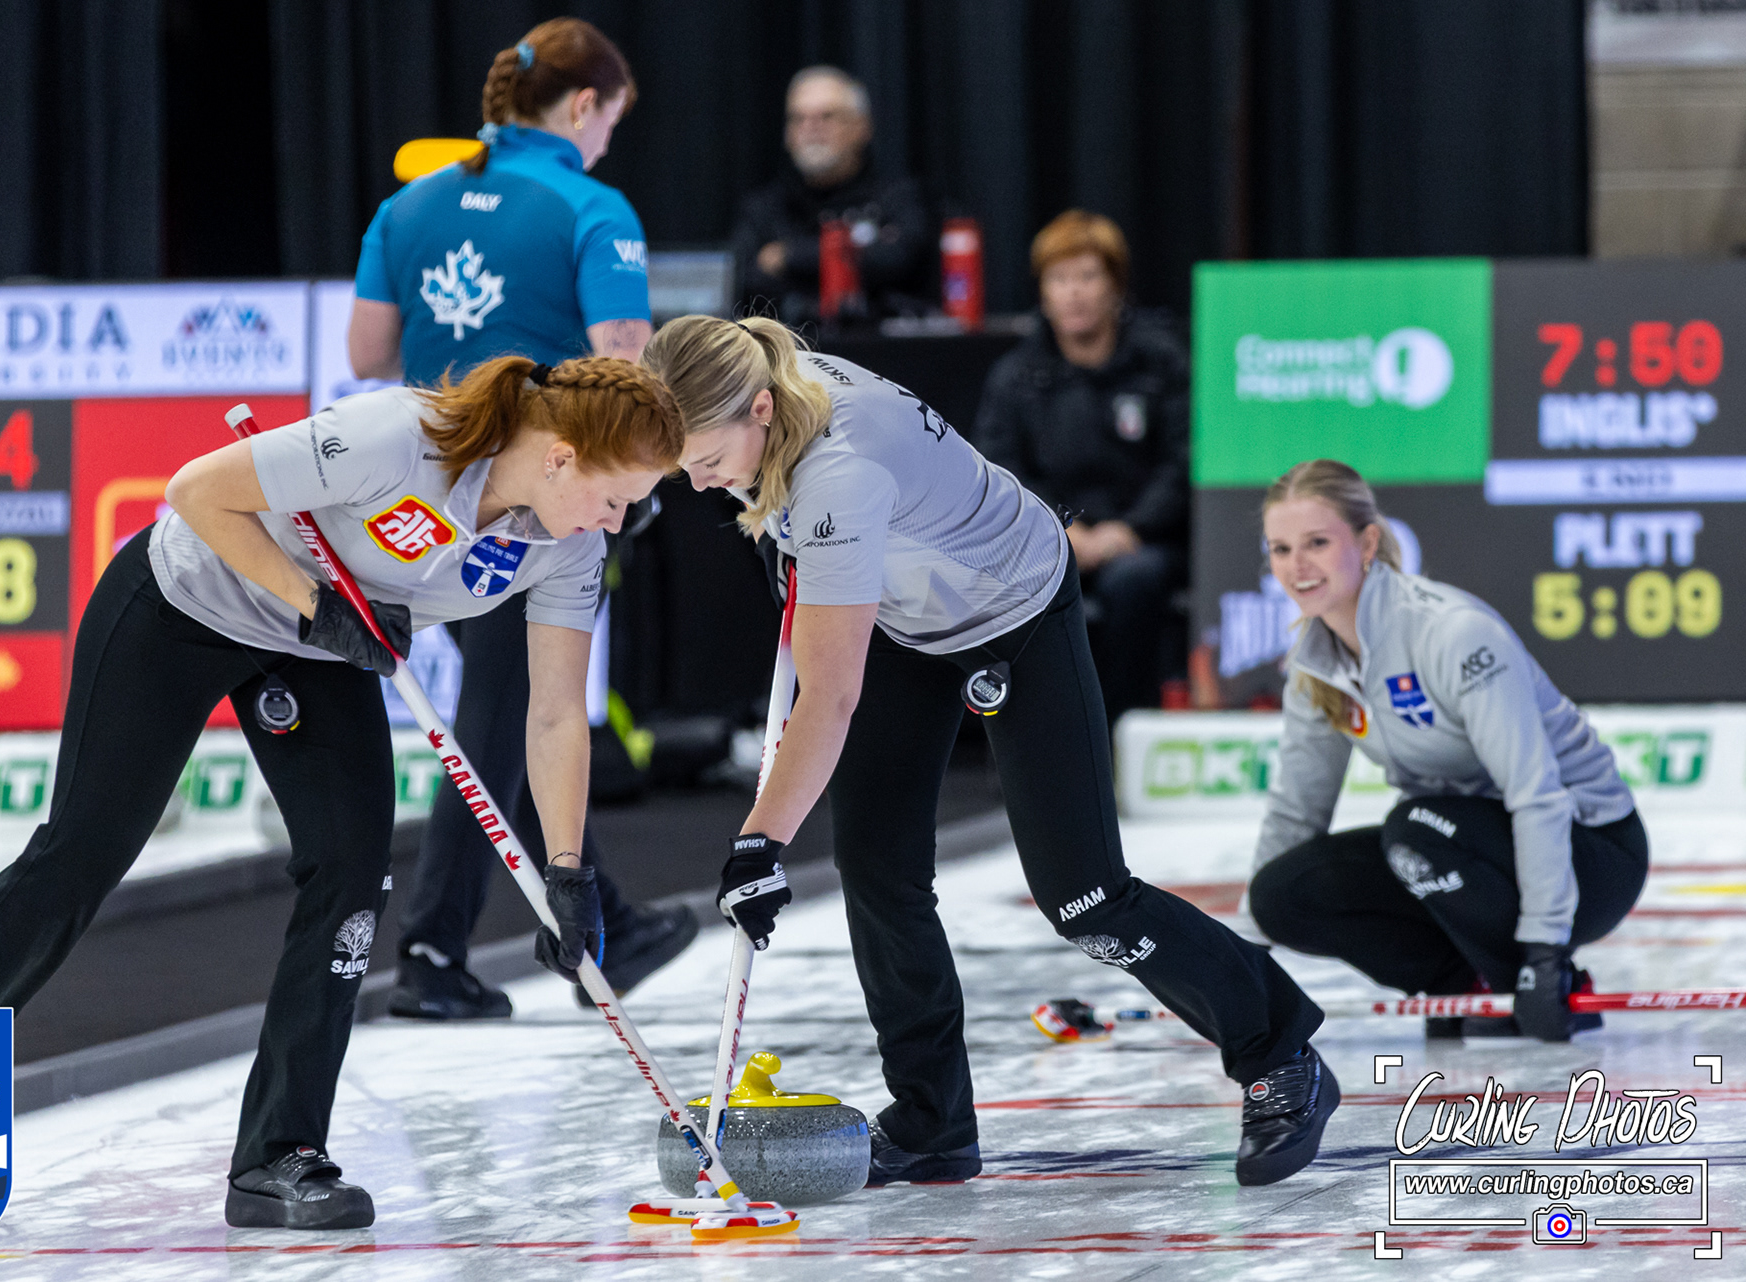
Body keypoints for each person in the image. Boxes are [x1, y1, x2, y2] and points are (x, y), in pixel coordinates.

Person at [0, 357, 684, 1228]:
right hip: (187, 605)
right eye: (615, 498)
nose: (618, 522)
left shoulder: (568, 546)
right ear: (561, 457)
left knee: (353, 871)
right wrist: (315, 603)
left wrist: (569, 872)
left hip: (321, 650)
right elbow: (197, 491)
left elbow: (555, 715)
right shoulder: (401, 437)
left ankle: (278, 1155)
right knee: (82, 852)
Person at [643, 315, 1337, 1190]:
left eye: (708, 459)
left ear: (762, 409)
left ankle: (1279, 1049)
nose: (701, 482)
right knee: (877, 867)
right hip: (904, 614)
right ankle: (931, 1121)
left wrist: (759, 844)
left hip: (1015, 611)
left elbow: (829, 696)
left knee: (1086, 896)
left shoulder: (840, 474)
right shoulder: (765, 374)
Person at [348, 18, 696, 1021]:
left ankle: (598, 924)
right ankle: (436, 949)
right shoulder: (592, 207)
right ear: (584, 106)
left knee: (505, 708)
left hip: (428, 484)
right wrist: (640, 483)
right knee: (512, 712)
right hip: (542, 487)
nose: (607, 143)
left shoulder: (408, 205)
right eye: (610, 121)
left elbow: (367, 352)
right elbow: (624, 359)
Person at [1245, 460, 1647, 1042]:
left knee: (1414, 829)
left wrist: (1544, 953)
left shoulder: (1452, 632)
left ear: (1367, 542)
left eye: (1317, 543)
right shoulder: (1316, 664)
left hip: (1591, 853)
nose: (1296, 566)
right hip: (1473, 848)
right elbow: (1296, 811)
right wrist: (1242, 961)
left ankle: (1522, 977)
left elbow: (1536, 793)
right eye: (1280, 549)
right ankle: (1466, 984)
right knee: (1282, 894)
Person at [974, 210, 1189, 726]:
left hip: (1141, 541)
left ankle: (1122, 729)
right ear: (1043, 293)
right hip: (1048, 541)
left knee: (1135, 581)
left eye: (1088, 276)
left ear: (1115, 286)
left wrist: (1131, 529)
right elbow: (999, 471)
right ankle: (1047, 733)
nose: (1073, 293)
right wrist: (1061, 530)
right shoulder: (1015, 376)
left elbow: (1184, 460)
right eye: (1059, 279)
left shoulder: (1161, 363)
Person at [730, 66, 931, 326]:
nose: (811, 128)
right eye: (798, 119)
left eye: (827, 117)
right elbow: (744, 280)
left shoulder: (899, 197)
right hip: (787, 342)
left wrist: (788, 255)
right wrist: (855, 260)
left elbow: (899, 260)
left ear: (861, 127)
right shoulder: (763, 208)